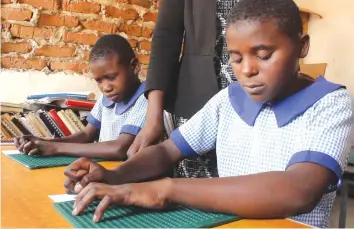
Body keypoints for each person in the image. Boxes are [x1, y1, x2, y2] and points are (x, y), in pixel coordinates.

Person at [64, 0, 354, 227]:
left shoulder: (330, 104)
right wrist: (114, 176)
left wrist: (166, 189)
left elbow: (298, 190)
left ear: (302, 47)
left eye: (264, 55)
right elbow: (166, 152)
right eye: (236, 58)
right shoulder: (227, 100)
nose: (247, 70)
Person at [128, 0, 242, 178]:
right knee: (193, 191)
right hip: (196, 102)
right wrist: (153, 120)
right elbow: (167, 35)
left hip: (258, 99)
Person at [14, 34, 148, 160]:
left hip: (129, 177)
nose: (106, 87)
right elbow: (86, 135)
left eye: (112, 77)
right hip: (103, 169)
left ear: (134, 67)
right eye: (99, 81)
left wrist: (55, 147)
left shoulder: (146, 98)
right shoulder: (106, 98)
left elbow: (121, 148)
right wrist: (43, 142)